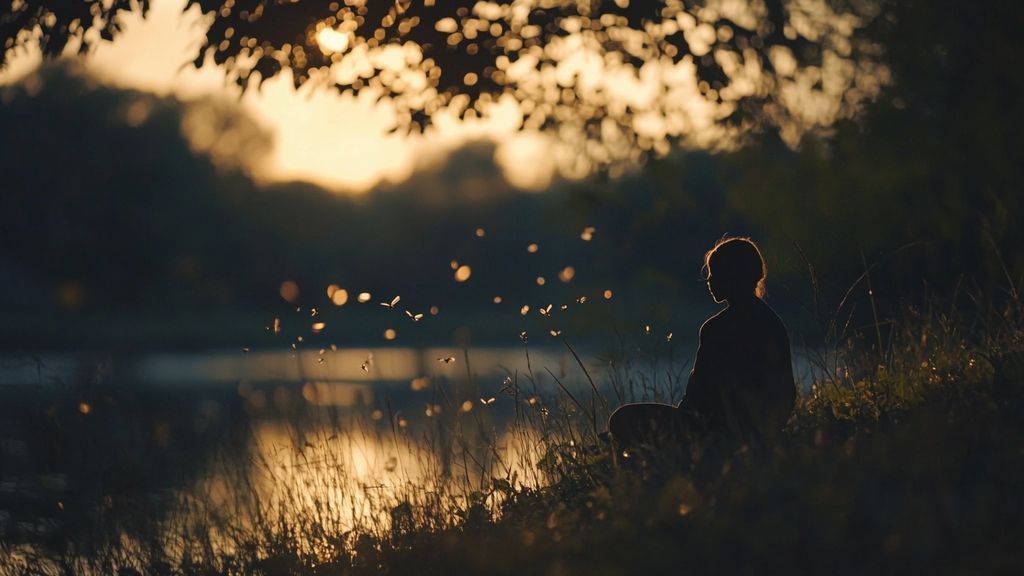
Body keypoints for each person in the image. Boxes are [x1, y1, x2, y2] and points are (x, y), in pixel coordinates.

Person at [607, 236, 796, 452]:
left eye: (715, 274)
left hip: (712, 431)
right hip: (759, 430)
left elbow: (697, 397)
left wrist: (681, 424)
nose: (710, 281)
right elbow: (786, 393)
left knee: (621, 419)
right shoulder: (773, 322)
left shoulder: (715, 328)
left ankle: (667, 453)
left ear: (734, 276)